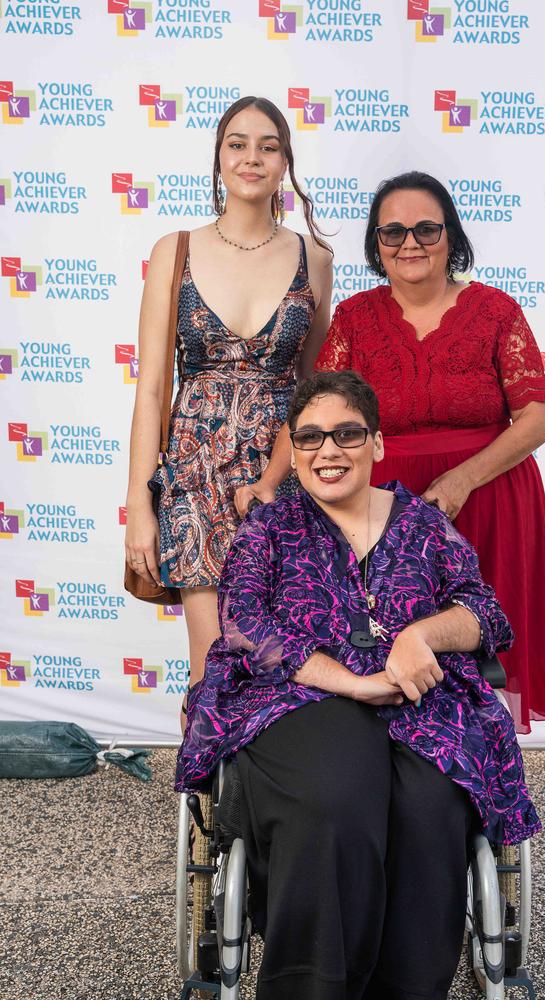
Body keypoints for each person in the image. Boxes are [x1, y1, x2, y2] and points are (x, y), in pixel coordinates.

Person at [177, 371, 541, 1000]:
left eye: (347, 433)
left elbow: (487, 613)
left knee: (430, 810)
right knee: (335, 800)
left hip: (421, 702)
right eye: (310, 437)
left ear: (375, 443)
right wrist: (351, 682)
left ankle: (409, 987)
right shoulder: (271, 528)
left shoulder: (424, 524)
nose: (328, 451)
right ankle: (313, 985)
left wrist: (421, 635)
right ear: (294, 449)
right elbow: (244, 623)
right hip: (298, 695)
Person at [315, 171, 545, 733]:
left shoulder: (497, 311)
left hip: (490, 501)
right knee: (395, 648)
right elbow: (322, 410)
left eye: (427, 229)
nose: (410, 243)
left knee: (489, 648)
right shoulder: (354, 318)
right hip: (387, 515)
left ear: (451, 234)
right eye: (393, 231)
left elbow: (536, 420)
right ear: (376, 244)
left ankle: (492, 772)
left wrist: (460, 481)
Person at [124, 96, 333, 717]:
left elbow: (315, 393)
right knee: (210, 661)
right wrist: (140, 502)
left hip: (284, 475)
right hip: (194, 472)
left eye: (268, 146)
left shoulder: (313, 260)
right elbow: (153, 390)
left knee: (285, 654)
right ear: (218, 157)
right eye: (237, 143)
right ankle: (208, 799)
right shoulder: (176, 250)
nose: (252, 157)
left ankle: (275, 802)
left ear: (285, 162)